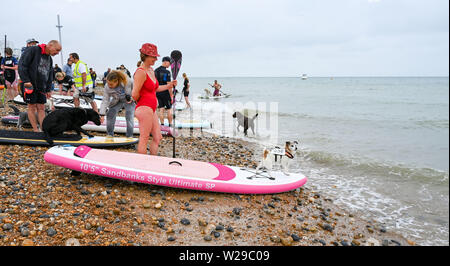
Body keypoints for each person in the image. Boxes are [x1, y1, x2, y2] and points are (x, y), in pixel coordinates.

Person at [132, 43, 177, 155]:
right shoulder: (140, 72)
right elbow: (134, 94)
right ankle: (142, 166)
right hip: (144, 108)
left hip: (151, 109)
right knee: (144, 138)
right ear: (146, 56)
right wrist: (142, 102)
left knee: (157, 137)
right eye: (154, 56)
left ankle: (152, 161)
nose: (156, 59)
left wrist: (169, 85)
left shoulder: (151, 70)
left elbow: (156, 88)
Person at [18, 40, 61, 132]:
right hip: (29, 84)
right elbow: (22, 65)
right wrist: (26, 80)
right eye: (57, 50)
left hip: (42, 86)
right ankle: (35, 130)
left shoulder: (50, 58)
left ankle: (43, 129)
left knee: (41, 108)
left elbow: (50, 75)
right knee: (31, 106)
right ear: (50, 45)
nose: (57, 53)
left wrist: (48, 89)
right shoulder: (33, 50)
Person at [99, 70, 135, 139]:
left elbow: (137, 90)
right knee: (110, 114)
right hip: (117, 100)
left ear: (117, 81)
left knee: (129, 115)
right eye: (108, 83)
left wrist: (132, 98)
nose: (109, 86)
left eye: (111, 84)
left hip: (129, 100)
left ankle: (129, 136)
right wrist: (102, 114)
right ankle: (110, 134)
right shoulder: (107, 87)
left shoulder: (128, 81)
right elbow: (105, 100)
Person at [155, 56, 174, 126]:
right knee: (169, 108)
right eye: (170, 63)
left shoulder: (156, 70)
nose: (170, 65)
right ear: (165, 62)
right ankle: (170, 124)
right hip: (165, 92)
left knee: (161, 108)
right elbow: (169, 85)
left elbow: (154, 83)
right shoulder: (167, 72)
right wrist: (171, 95)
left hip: (158, 92)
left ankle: (162, 124)